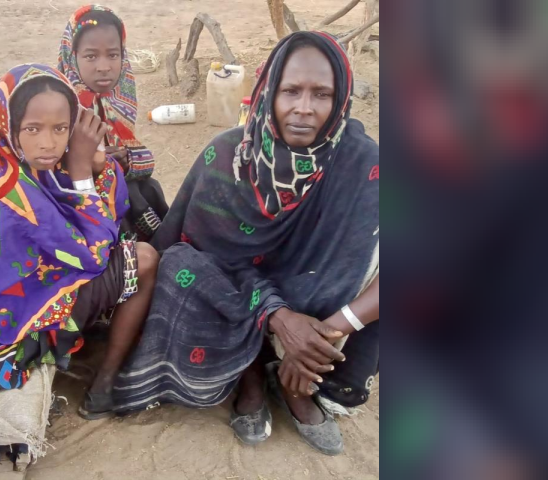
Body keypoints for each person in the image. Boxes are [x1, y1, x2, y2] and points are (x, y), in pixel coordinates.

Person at [109, 31, 380, 456]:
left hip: (317, 304)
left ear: (341, 97)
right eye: (290, 91)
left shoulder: (364, 163)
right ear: (269, 91)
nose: (304, 108)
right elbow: (202, 255)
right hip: (240, 294)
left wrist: (325, 334)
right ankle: (250, 372)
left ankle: (296, 381)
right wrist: (278, 317)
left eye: (322, 94)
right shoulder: (228, 155)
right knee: (181, 269)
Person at [0, 64, 159, 420]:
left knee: (141, 204)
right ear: (9, 125)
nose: (48, 143)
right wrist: (83, 170)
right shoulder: (9, 189)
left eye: (60, 128)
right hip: (12, 332)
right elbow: (94, 255)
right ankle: (105, 383)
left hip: (33, 290)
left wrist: (97, 162)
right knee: (144, 258)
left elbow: (114, 209)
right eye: (33, 128)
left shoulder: (22, 160)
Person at [57, 5, 168, 241]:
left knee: (149, 189)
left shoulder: (118, 100)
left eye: (113, 55)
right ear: (72, 56)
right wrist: (89, 163)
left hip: (116, 195)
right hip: (71, 206)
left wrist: (125, 159)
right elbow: (44, 170)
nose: (104, 67)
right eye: (91, 56)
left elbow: (141, 157)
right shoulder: (57, 107)